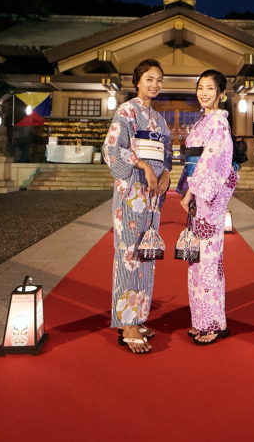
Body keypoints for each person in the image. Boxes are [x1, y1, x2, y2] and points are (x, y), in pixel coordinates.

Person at [102, 59, 172, 354]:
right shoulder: (126, 111)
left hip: (153, 192)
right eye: (149, 79)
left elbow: (167, 154)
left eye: (159, 80)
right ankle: (126, 322)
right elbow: (112, 147)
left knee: (146, 253)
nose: (154, 85)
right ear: (138, 81)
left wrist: (167, 173)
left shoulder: (160, 119)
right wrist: (142, 164)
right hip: (132, 188)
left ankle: (139, 315)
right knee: (129, 253)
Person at [177, 69, 238, 344]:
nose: (204, 92)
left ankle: (215, 323)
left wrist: (192, 191)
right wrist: (187, 187)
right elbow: (193, 158)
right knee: (198, 260)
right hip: (198, 197)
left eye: (210, 88)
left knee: (209, 260)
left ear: (221, 94)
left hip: (208, 198)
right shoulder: (203, 122)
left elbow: (214, 161)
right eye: (200, 87)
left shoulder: (219, 124)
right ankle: (201, 320)